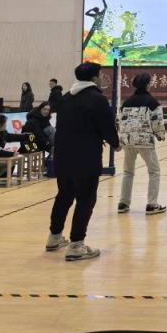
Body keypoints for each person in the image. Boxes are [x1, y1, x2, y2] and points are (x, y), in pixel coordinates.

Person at [46, 62, 120, 261]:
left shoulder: (65, 98)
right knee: (86, 199)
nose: (102, 78)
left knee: (64, 196)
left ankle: (54, 237)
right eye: (100, 75)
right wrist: (116, 144)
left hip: (62, 156)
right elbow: (106, 126)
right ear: (94, 77)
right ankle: (76, 245)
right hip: (86, 157)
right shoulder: (97, 99)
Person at [118, 73, 167, 215]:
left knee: (128, 172)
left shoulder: (126, 102)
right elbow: (157, 121)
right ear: (147, 85)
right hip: (144, 141)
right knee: (154, 171)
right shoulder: (152, 102)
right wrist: (160, 135)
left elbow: (119, 121)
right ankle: (152, 204)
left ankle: (123, 203)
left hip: (127, 141)